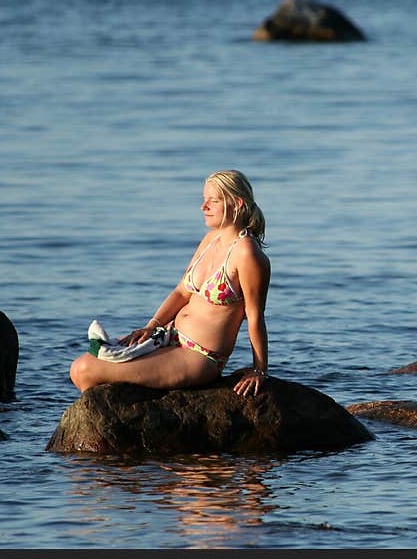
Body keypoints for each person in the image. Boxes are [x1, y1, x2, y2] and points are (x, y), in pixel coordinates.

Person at [70, 170, 271, 397]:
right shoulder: (211, 239)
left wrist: (259, 369)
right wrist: (151, 326)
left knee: (85, 370)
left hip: (199, 356)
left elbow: (255, 316)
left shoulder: (247, 254)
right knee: (85, 362)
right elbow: (182, 292)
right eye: (204, 199)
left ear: (237, 203)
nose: (203, 207)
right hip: (168, 338)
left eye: (213, 201)